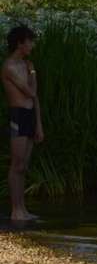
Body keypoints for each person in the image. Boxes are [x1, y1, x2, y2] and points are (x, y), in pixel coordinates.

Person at [3, 25, 44, 222]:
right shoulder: (10, 66)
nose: (32, 45)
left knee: (24, 166)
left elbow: (35, 100)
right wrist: (33, 72)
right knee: (17, 163)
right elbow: (31, 92)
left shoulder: (27, 65)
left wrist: (39, 125)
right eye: (30, 41)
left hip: (29, 116)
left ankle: (23, 209)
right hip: (17, 115)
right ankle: (15, 210)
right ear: (20, 43)